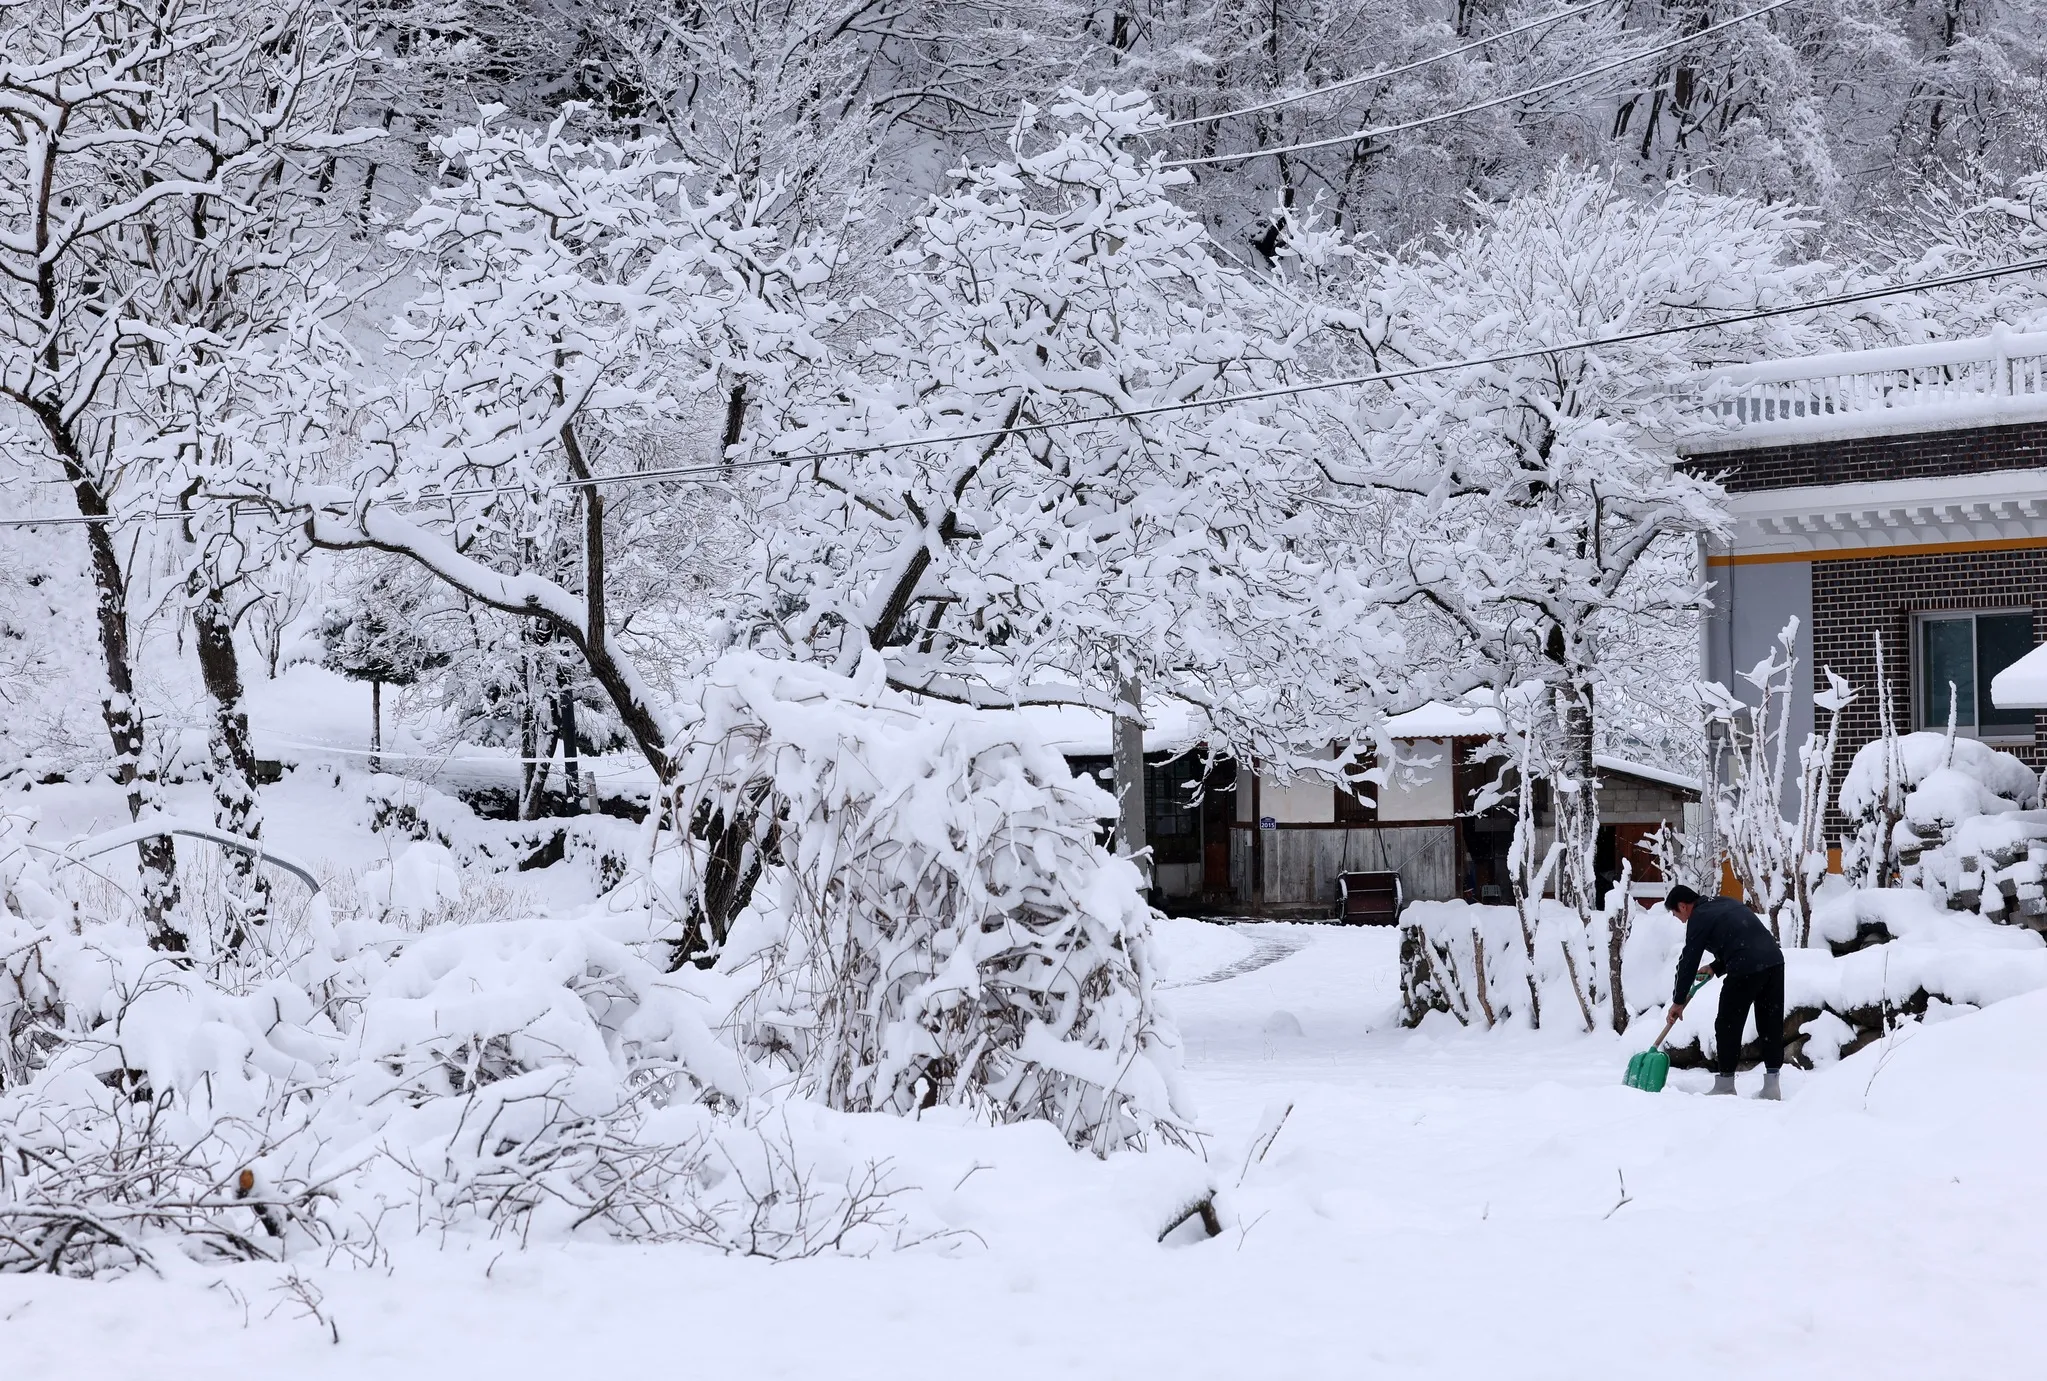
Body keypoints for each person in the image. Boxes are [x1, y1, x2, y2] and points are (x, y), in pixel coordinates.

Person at [1664, 885, 1786, 1100]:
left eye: (1676, 914)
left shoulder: (1698, 917)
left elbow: (1688, 961)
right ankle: (1772, 1086)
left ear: (1682, 906)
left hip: (1746, 968)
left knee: (1727, 1023)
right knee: (1770, 1023)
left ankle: (1725, 1084)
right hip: (1774, 961)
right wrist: (1715, 967)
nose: (1680, 920)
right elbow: (1741, 938)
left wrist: (1678, 1000)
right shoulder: (1723, 903)